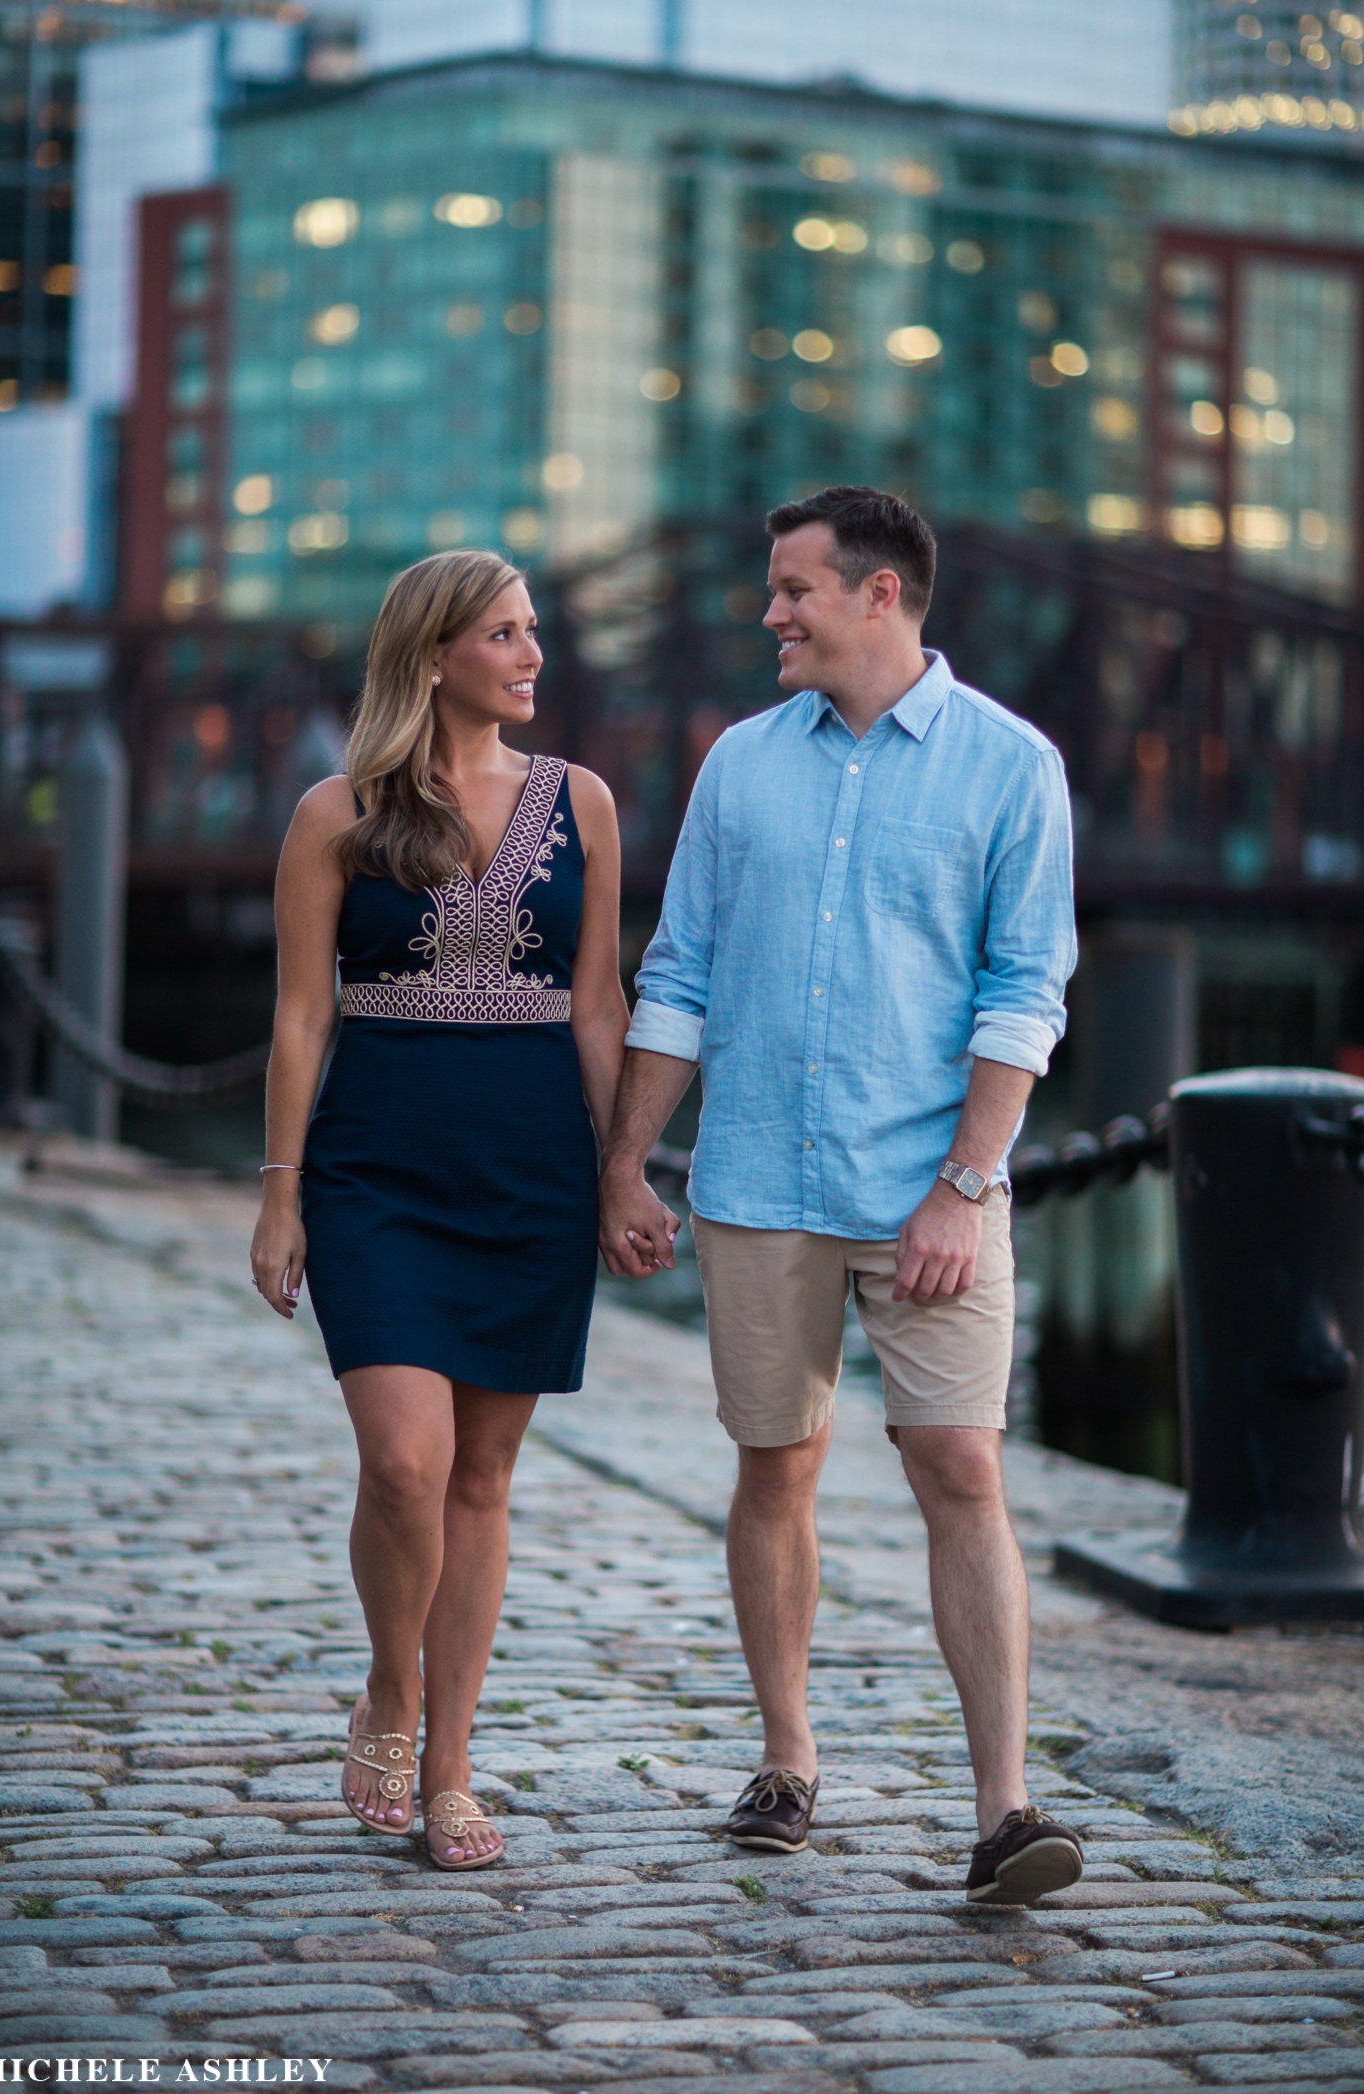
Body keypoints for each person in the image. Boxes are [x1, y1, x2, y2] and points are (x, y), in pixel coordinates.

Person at [599, 486, 1083, 1904]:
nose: (771, 613)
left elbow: (1023, 992)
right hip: (759, 1179)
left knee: (962, 1465)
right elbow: (678, 972)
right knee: (774, 1465)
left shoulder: (1011, 766)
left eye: (796, 589)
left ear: (881, 596)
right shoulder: (740, 766)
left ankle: (1004, 1808)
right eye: (770, 587)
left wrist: (961, 1185)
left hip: (934, 1188)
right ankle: (787, 1758)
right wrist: (627, 1159)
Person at [251, 549, 628, 1870]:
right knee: (405, 1459)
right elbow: (301, 1017)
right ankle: (389, 1688)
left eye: (534, 633)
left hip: (530, 1168)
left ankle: (453, 1765)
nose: (533, 656)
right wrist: (280, 1191)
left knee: (480, 1475)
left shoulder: (584, 801)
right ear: (433, 655)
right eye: (506, 635)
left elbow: (597, 1005)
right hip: (374, 1170)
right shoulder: (334, 812)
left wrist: (625, 1164)